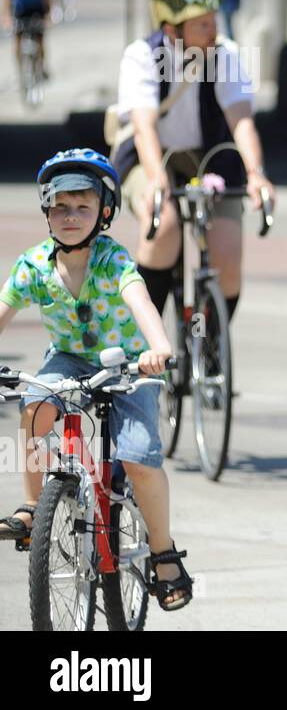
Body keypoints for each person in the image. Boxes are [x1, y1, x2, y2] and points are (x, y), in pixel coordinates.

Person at [0, 149, 193, 611]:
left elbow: (141, 301)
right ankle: (31, 508)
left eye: (82, 206)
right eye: (60, 206)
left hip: (128, 363)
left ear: (104, 212)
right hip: (68, 358)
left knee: (140, 457)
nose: (70, 216)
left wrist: (158, 348)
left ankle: (164, 554)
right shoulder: (34, 266)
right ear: (46, 210)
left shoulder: (112, 260)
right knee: (33, 404)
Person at [112, 0, 275, 325]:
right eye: (202, 24)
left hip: (211, 156)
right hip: (152, 155)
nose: (213, 30)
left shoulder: (226, 53)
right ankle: (147, 344)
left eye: (214, 20)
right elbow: (144, 126)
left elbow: (241, 119)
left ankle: (211, 349)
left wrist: (255, 173)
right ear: (172, 30)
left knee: (228, 253)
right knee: (165, 227)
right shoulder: (142, 55)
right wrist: (157, 180)